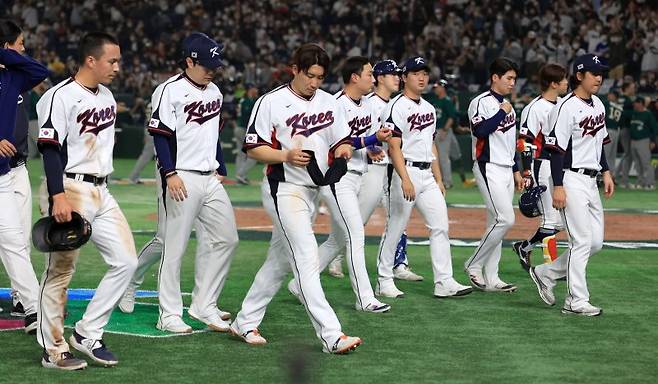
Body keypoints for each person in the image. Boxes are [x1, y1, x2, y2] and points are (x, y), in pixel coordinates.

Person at [231, 43, 362, 354]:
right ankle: (332, 335)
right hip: (284, 189)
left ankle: (244, 321)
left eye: (319, 76)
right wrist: (284, 155)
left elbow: (342, 139)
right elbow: (253, 148)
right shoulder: (271, 102)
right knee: (305, 258)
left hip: (313, 191)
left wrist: (344, 150)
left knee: (278, 263)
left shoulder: (330, 102)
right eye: (309, 75)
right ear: (295, 70)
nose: (314, 83)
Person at [36, 31, 137, 370]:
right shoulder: (59, 96)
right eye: (112, 60)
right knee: (62, 270)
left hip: (101, 189)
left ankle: (87, 332)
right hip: (68, 187)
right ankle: (53, 350)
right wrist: (57, 196)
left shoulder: (107, 96)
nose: (117, 67)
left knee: (126, 262)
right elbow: (49, 149)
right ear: (90, 60)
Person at [147, 32, 238, 333]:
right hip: (181, 175)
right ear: (189, 61)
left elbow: (212, 136)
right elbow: (160, 135)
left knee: (227, 238)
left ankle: (203, 304)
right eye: (207, 64)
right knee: (175, 247)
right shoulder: (169, 90)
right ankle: (169, 314)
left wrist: (221, 166)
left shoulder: (215, 92)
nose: (213, 69)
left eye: (215, 64)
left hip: (209, 177)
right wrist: (169, 173)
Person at [287, 56, 392, 313]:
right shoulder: (333, 104)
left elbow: (359, 141)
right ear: (354, 77)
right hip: (337, 177)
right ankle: (365, 298)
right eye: (368, 74)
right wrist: (370, 140)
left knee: (338, 238)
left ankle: (299, 284)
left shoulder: (367, 105)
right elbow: (338, 145)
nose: (373, 78)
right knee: (355, 235)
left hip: (359, 173)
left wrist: (372, 145)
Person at [375, 56, 472, 299]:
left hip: (427, 174)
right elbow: (394, 147)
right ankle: (384, 280)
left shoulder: (428, 108)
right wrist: (405, 178)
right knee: (396, 227)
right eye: (416, 73)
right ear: (404, 77)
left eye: (425, 73)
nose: (422, 77)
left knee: (440, 226)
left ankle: (444, 282)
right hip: (403, 172)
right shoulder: (395, 106)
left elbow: (431, 146)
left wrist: (438, 179)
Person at [530, 53, 614, 317]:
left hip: (591, 180)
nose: (599, 77)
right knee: (581, 241)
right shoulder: (565, 107)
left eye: (601, 72)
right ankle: (576, 300)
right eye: (593, 72)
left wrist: (607, 172)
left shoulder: (598, 104)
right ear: (579, 76)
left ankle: (545, 272)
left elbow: (598, 141)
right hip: (571, 178)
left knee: (595, 243)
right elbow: (556, 150)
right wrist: (558, 185)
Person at [0, 18, 47, 334]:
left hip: (18, 170)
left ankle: (21, 298)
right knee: (12, 242)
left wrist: (6, 55)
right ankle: (34, 310)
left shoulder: (15, 76)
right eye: (20, 45)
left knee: (20, 241)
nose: (24, 50)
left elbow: (40, 72)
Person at [359, 59, 424, 282]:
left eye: (398, 74)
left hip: (389, 169)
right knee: (358, 220)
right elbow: (355, 130)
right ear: (379, 78)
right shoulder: (367, 103)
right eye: (392, 74)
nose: (397, 78)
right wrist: (368, 146)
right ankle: (338, 254)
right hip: (367, 170)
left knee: (398, 217)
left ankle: (399, 263)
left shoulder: (397, 104)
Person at [464, 57, 524, 292]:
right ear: (495, 78)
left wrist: (517, 170)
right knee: (505, 219)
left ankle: (493, 277)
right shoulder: (480, 102)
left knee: (495, 221)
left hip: (506, 167)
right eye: (509, 78)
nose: (512, 83)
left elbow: (511, 141)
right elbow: (480, 131)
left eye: (514, 79)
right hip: (488, 166)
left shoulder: (507, 104)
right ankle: (473, 264)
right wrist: (501, 112)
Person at [513, 63, 569, 270]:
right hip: (541, 164)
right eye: (563, 80)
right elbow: (524, 141)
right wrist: (527, 171)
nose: (566, 83)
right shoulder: (534, 108)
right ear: (553, 83)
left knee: (563, 219)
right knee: (548, 219)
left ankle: (525, 246)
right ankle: (550, 270)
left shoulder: (564, 104)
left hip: (561, 165)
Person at [426, 79, 459, 189]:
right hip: (433, 131)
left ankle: (447, 181)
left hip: (443, 131)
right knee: (433, 157)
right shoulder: (433, 100)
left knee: (443, 158)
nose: (436, 89)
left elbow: (451, 117)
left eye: (438, 87)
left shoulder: (447, 101)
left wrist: (445, 130)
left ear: (443, 88)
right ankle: (434, 180)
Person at [627, 97, 658, 189]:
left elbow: (655, 128)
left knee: (646, 163)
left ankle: (650, 183)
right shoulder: (634, 113)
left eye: (636, 103)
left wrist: (652, 141)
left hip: (643, 141)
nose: (634, 105)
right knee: (637, 164)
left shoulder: (648, 114)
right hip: (633, 141)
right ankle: (641, 182)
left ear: (640, 103)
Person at [234, 84, 259, 184]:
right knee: (254, 155)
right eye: (254, 88)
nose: (256, 90)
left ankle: (240, 176)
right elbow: (249, 116)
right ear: (250, 89)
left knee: (241, 154)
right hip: (245, 130)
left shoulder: (243, 100)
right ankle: (240, 174)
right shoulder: (248, 101)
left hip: (239, 128)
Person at [126, 101, 154, 184]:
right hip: (155, 131)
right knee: (146, 156)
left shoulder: (151, 103)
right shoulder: (158, 101)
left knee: (149, 156)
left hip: (150, 129)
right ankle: (133, 176)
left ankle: (133, 176)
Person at [601, 90, 624, 178]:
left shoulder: (607, 103)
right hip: (616, 131)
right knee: (612, 155)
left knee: (605, 154)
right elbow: (621, 122)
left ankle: (604, 176)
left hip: (607, 131)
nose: (609, 96)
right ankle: (611, 175)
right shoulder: (620, 107)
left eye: (611, 94)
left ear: (615, 96)